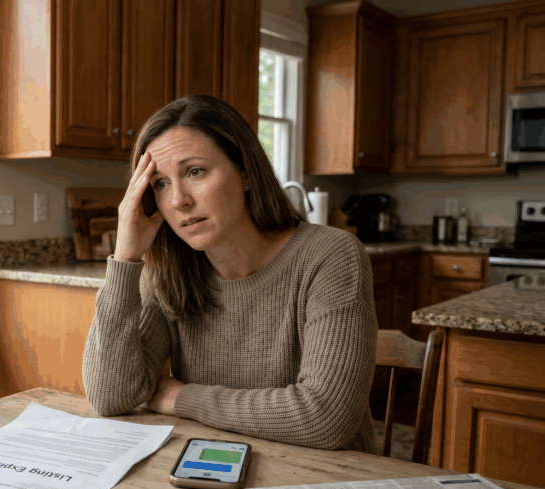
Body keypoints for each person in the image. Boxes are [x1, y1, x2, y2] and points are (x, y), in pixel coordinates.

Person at [82, 94, 378, 453]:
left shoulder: (331, 255)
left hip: (323, 483)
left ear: (247, 173)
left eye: (195, 172)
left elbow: (325, 419)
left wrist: (182, 398)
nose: (178, 200)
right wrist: (126, 259)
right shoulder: (170, 272)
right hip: (211, 471)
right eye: (160, 184)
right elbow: (110, 397)